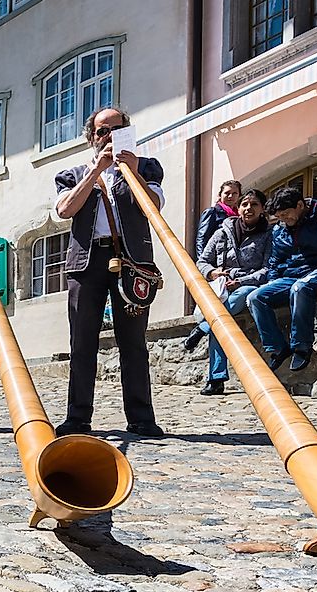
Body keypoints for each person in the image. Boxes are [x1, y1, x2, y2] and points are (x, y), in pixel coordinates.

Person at [53, 107, 164, 437]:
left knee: (133, 341)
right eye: (103, 131)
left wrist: (132, 171)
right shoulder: (72, 173)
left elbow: (153, 206)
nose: (110, 136)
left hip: (132, 260)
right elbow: (64, 210)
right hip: (87, 262)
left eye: (118, 129)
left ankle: (141, 417)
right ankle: (78, 417)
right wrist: (97, 170)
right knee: (82, 342)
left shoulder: (146, 166)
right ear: (91, 138)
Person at [188, 189, 271, 394]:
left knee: (224, 314)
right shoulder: (222, 232)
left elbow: (268, 268)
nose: (248, 209)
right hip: (222, 288)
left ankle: (203, 329)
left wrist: (241, 280)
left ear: (262, 209)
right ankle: (215, 378)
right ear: (238, 208)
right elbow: (202, 261)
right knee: (221, 321)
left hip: (249, 285)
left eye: (254, 205)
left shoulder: (269, 234)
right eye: (245, 204)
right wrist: (213, 273)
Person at [247, 185, 317, 371]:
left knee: (300, 288)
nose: (284, 220)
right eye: (279, 218)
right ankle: (278, 348)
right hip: (290, 275)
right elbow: (274, 260)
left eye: (286, 214)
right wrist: (272, 281)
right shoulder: (280, 229)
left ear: (299, 205)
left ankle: (301, 346)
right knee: (255, 297)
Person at [195, 180, 242, 257]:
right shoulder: (212, 212)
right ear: (220, 195)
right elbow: (202, 239)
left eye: (234, 193)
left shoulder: (239, 216)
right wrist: (202, 262)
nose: (230, 196)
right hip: (214, 257)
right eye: (227, 193)